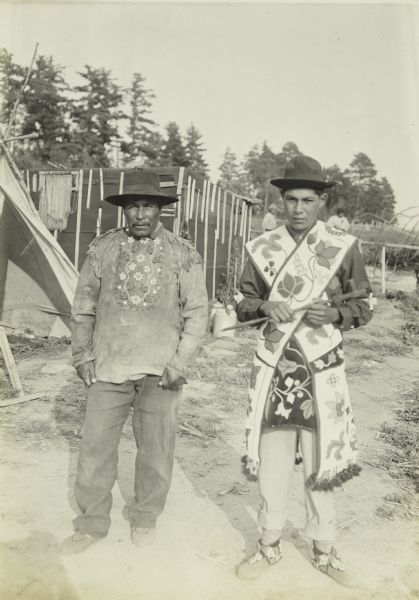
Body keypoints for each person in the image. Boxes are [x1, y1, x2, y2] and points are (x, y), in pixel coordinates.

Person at [235, 155, 373, 585]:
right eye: (291, 199)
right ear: (281, 200)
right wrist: (263, 304)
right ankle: (269, 543)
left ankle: (325, 548)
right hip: (276, 369)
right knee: (274, 463)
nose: (298, 208)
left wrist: (333, 312)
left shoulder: (342, 246)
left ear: (322, 201)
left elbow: (364, 305)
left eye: (307, 200)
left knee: (321, 463)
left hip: (322, 370)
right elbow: (240, 304)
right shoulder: (262, 249)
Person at [61, 170, 208, 554]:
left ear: (161, 210)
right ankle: (91, 523)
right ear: (123, 210)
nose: (141, 214)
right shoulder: (102, 250)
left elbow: (197, 314)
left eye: (148, 206)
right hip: (109, 367)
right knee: (94, 449)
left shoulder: (183, 254)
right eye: (133, 207)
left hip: (162, 373)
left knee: (157, 452)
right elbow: (82, 308)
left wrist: (181, 363)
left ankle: (145, 518)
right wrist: (81, 355)